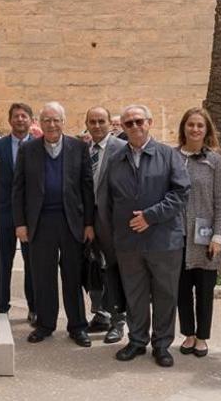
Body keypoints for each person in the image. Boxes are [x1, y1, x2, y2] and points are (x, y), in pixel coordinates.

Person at [104, 105, 189, 368]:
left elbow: (181, 192)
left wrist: (150, 216)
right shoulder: (115, 159)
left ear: (149, 122)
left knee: (165, 294)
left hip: (163, 241)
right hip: (128, 243)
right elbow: (108, 200)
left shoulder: (168, 155)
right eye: (128, 123)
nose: (134, 127)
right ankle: (137, 341)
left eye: (139, 121)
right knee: (135, 294)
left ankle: (162, 345)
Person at [13, 102, 95, 347]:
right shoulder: (28, 150)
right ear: (40, 122)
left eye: (56, 120)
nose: (51, 124)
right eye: (47, 120)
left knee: (73, 276)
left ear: (63, 122)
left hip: (71, 222)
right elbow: (19, 190)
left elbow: (87, 188)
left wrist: (89, 223)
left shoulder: (78, 148)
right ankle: (45, 324)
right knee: (42, 276)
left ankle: (78, 326)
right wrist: (20, 224)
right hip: (40, 223)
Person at [175, 107, 221, 359]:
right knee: (182, 288)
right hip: (177, 235)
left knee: (205, 289)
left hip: (206, 237)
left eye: (200, 125)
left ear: (207, 130)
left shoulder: (215, 160)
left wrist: (219, 235)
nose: (195, 129)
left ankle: (203, 336)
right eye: (191, 124)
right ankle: (188, 334)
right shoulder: (172, 156)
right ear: (183, 127)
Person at [0, 103, 36, 323]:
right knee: (2, 261)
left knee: (33, 263)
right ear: (9, 120)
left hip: (31, 215)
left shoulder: (39, 146)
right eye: (16, 116)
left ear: (31, 120)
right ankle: (0, 305)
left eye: (24, 116)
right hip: (4, 213)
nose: (20, 120)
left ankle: (34, 307)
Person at [84, 106, 128, 344]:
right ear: (87, 124)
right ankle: (99, 313)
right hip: (87, 222)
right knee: (90, 271)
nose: (97, 125)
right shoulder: (83, 150)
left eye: (102, 121)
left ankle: (118, 320)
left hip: (112, 222)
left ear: (111, 124)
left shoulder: (121, 149)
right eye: (93, 121)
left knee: (113, 270)